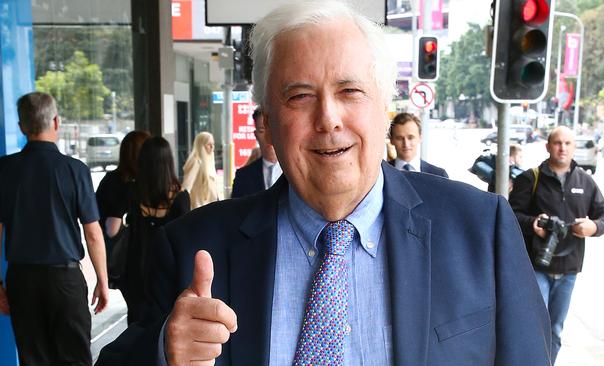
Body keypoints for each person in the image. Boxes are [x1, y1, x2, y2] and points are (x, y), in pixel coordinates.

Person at [98, 2, 550, 365]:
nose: (328, 119)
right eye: (300, 96)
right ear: (269, 126)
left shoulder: (479, 230)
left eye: (350, 91)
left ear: (383, 109)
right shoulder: (195, 248)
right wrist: (163, 351)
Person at [0, 92, 109, 365]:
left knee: (33, 358)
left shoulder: (4, 169)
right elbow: (93, 234)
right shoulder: (74, 170)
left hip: (21, 281)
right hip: (65, 281)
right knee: (75, 358)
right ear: (56, 122)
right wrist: (102, 282)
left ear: (22, 127)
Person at [509, 126, 604, 364]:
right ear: (548, 146)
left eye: (567, 143)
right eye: (557, 143)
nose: (562, 148)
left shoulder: (585, 182)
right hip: (537, 265)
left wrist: (594, 227)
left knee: (555, 329)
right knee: (535, 325)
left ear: (574, 147)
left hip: (569, 268)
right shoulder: (531, 178)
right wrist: (532, 223)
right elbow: (511, 215)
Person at [122, 136, 190, 324]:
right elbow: (183, 242)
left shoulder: (134, 193)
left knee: (137, 327)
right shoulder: (180, 197)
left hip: (136, 270)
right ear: (168, 162)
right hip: (167, 272)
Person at [96, 130, 150, 239]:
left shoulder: (109, 180)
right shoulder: (143, 184)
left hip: (110, 249)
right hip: (130, 249)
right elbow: (113, 229)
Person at [231, 107, 282, 198]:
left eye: (273, 129)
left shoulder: (296, 172)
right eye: (262, 131)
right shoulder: (243, 176)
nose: (268, 136)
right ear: (256, 135)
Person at [387, 112, 448, 177]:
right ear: (391, 140)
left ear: (420, 137)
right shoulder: (381, 173)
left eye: (411, 137)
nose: (406, 144)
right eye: (399, 138)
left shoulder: (439, 175)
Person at [181, 131, 219, 209]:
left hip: (209, 208)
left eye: (213, 144)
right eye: (208, 144)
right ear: (201, 145)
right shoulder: (196, 162)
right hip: (199, 209)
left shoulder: (209, 161)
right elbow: (186, 187)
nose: (212, 147)